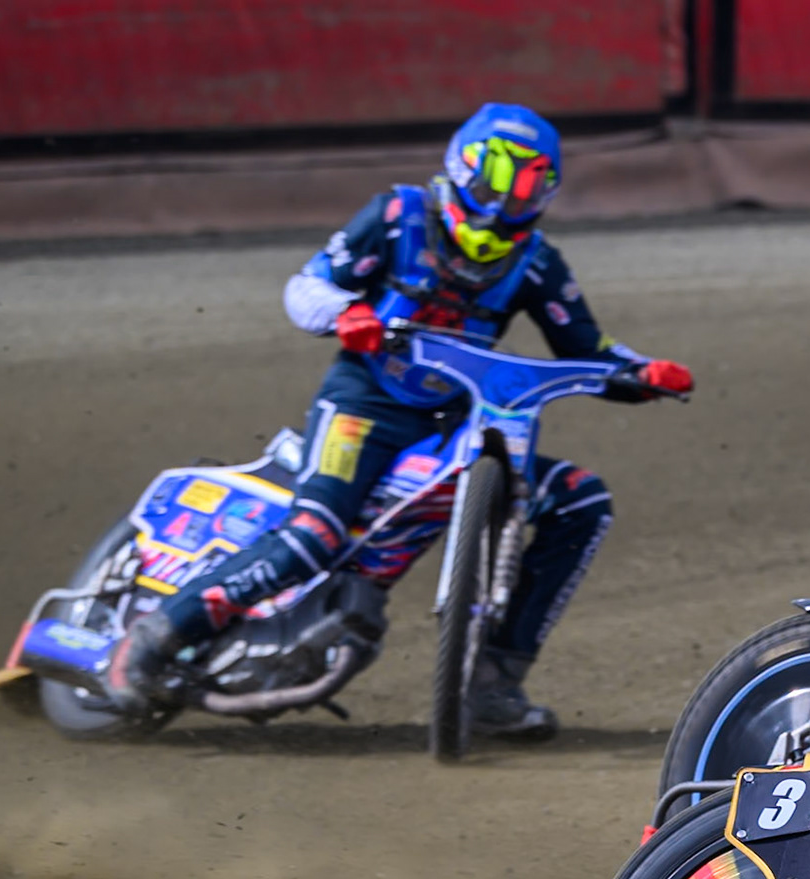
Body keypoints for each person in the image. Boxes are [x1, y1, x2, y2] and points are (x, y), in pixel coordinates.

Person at [106, 103, 693, 737]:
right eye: (497, 176)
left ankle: (495, 681)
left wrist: (644, 371)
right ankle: (157, 636)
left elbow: (587, 349)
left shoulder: (538, 263)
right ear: (463, 166)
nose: (505, 199)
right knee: (314, 534)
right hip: (363, 404)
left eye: (526, 183)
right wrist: (344, 314)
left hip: (455, 424)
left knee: (580, 501)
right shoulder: (397, 215)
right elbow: (307, 286)